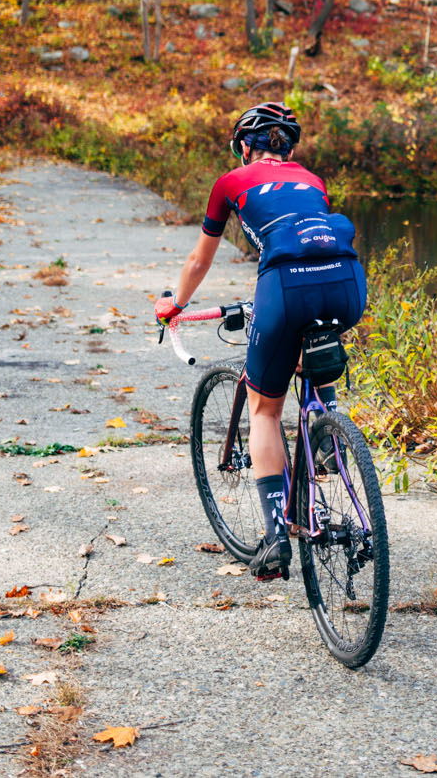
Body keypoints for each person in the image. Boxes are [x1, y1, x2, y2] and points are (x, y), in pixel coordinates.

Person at [153, 102, 365, 579]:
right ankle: (328, 436)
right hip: (347, 286)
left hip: (285, 287)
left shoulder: (231, 182)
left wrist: (175, 304)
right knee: (312, 341)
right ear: (288, 147)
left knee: (266, 409)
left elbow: (199, 260)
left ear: (245, 147)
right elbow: (308, 240)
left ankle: (274, 540)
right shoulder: (312, 180)